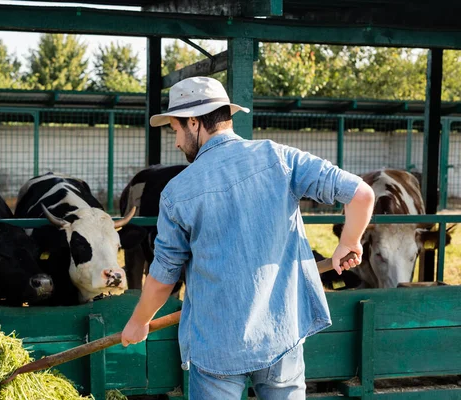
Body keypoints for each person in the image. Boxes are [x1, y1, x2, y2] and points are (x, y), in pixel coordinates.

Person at [121, 76, 375, 400]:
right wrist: (349, 242)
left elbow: (162, 277)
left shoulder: (177, 193)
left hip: (217, 346)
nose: (176, 142)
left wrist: (139, 322)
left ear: (195, 122)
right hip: (281, 335)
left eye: (175, 129)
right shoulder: (280, 158)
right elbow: (362, 194)